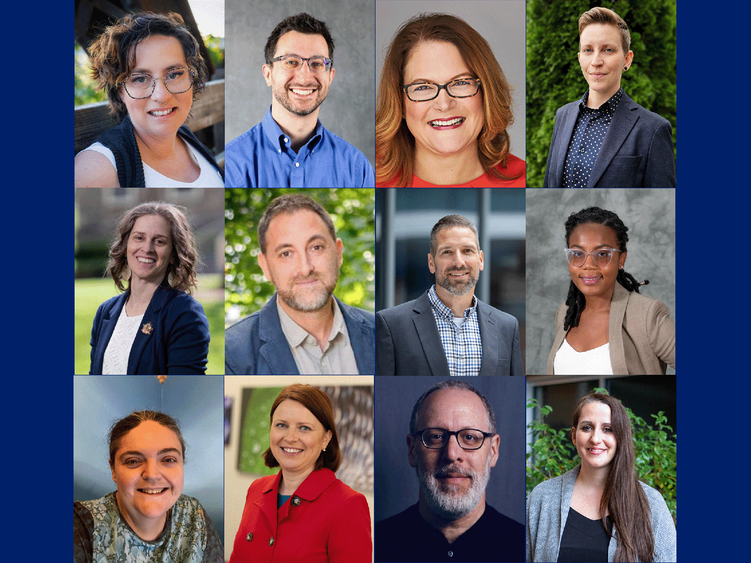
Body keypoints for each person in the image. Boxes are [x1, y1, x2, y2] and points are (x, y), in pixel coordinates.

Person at [225, 194, 375, 374]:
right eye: (286, 254)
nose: (305, 269)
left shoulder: (383, 334)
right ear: (265, 266)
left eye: (316, 247)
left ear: (338, 253)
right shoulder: (233, 353)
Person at [376, 380, 524, 562]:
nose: (452, 454)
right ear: (412, 450)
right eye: (436, 437)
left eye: (470, 437)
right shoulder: (375, 545)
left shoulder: (524, 547)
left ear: (493, 451)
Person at [75, 12, 224, 188]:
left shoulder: (186, 138)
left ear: (192, 78)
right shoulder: (95, 169)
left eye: (174, 74)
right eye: (140, 79)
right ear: (120, 91)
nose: (161, 95)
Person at [225, 13, 374, 187]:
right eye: (291, 62)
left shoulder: (357, 168)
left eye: (317, 63)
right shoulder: (232, 164)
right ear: (268, 74)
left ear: (330, 76)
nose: (304, 77)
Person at [375, 13, 525, 187]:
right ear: (399, 102)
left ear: (486, 92)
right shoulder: (367, 176)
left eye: (460, 82)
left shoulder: (523, 180)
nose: (444, 104)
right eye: (423, 87)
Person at [228, 384, 372, 562]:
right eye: (281, 425)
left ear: (326, 438)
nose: (290, 437)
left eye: (304, 428)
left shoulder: (348, 504)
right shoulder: (256, 489)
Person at [526, 392, 677, 562]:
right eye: (587, 427)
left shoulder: (651, 504)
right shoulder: (542, 497)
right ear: (574, 436)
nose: (596, 438)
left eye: (608, 429)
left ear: (621, 437)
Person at [543, 7, 676, 187]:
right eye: (588, 50)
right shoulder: (563, 115)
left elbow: (661, 206)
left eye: (607, 50)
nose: (596, 61)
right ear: (579, 57)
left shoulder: (652, 129)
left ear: (627, 59)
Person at [376, 214, 523, 376]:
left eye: (467, 251)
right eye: (447, 252)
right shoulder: (391, 324)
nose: (458, 262)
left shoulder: (507, 326)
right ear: (431, 263)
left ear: (480, 260)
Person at [74, 410, 223, 562]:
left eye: (168, 460)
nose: (152, 475)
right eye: (133, 461)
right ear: (113, 470)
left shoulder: (193, 515)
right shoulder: (81, 526)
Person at [546, 206, 675, 375]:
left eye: (602, 254)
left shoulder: (646, 315)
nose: (588, 264)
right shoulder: (566, 311)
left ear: (621, 259)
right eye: (577, 254)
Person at [89, 201, 210, 374]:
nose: (147, 248)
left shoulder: (184, 313)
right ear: (125, 246)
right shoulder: (105, 312)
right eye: (139, 238)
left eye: (159, 241)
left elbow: (184, 394)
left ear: (174, 254)